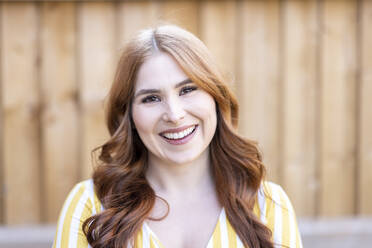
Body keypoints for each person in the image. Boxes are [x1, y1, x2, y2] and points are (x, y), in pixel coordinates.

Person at [53, 25, 302, 248]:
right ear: (128, 114)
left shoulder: (269, 204)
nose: (174, 114)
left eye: (188, 89)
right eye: (151, 98)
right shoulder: (90, 205)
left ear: (215, 97)